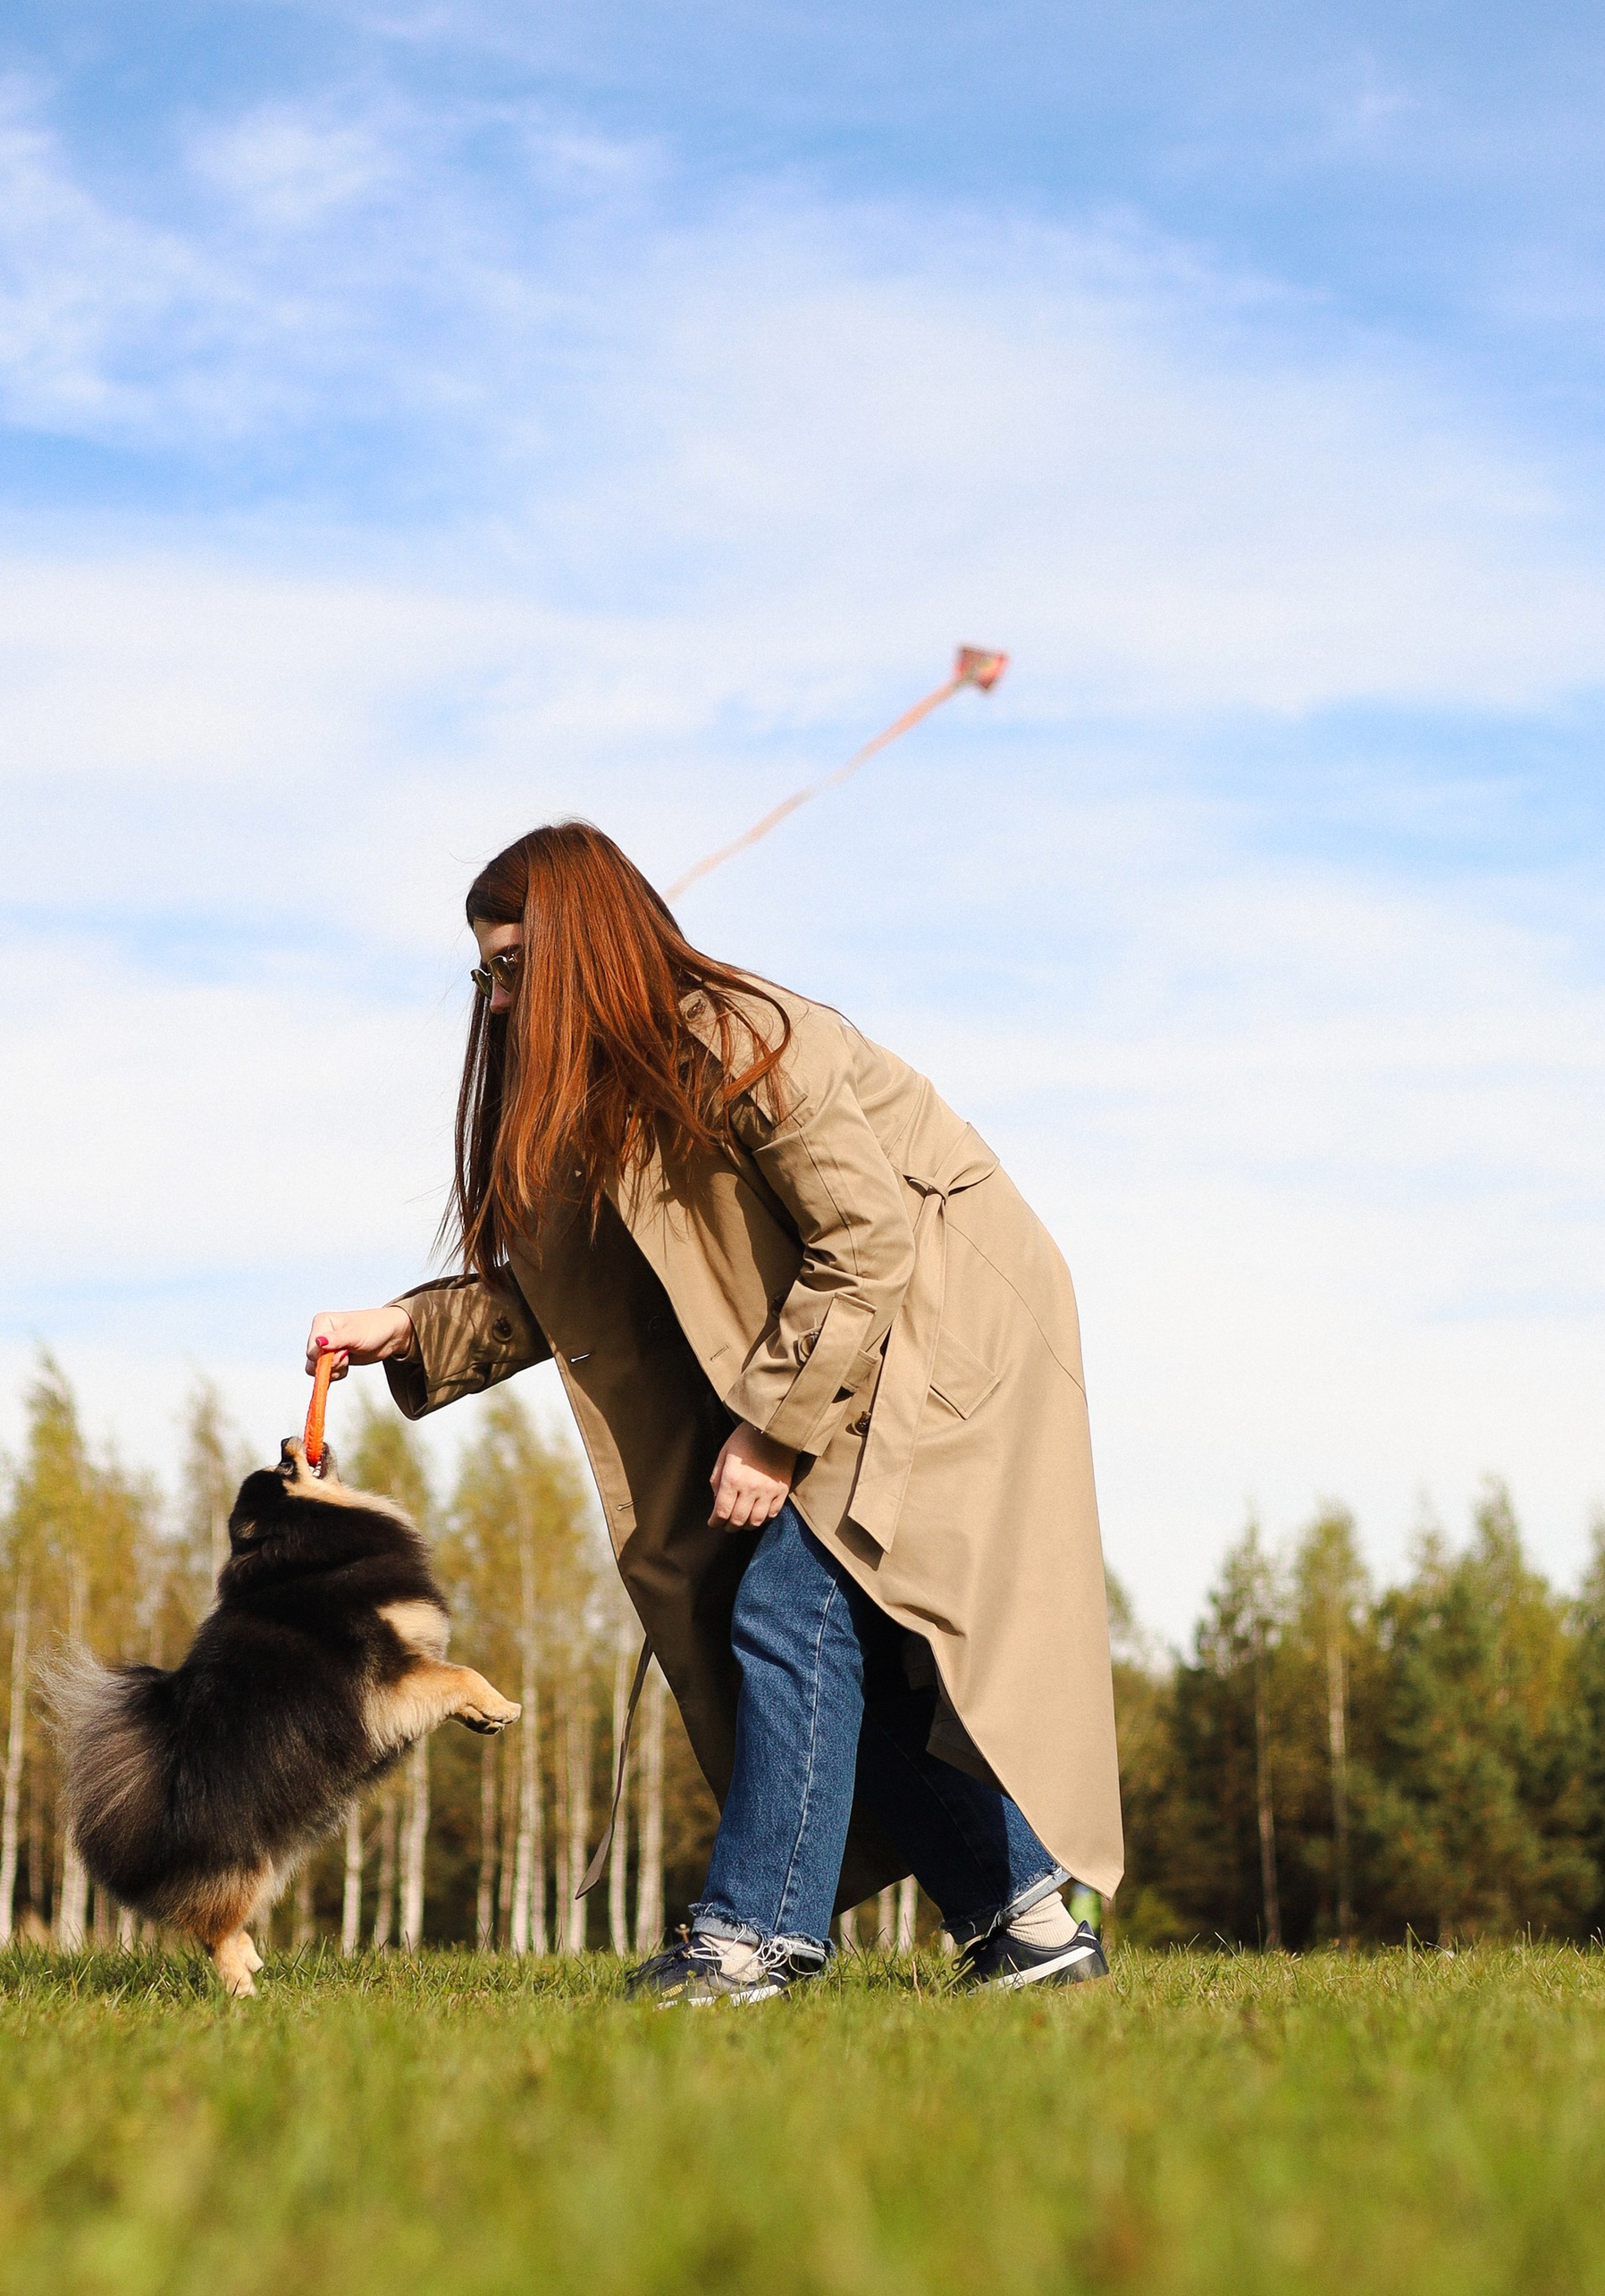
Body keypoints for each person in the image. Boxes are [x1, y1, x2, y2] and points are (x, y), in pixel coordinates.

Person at [309, 821, 1122, 2000]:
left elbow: (869, 1239)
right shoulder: (607, 1090)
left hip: (941, 1328)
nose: (493, 1003)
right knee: (848, 1637)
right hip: (848, 1334)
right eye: (484, 972)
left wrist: (777, 1430)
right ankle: (1032, 1926)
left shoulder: (750, 1044)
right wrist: (413, 1326)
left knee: (792, 1594)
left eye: (513, 967)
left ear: (581, 949)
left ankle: (752, 1940)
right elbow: (581, 1294)